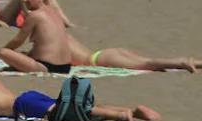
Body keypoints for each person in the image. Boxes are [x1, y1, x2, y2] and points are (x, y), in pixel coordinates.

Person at [0, 57, 160, 121]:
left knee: (66, 111)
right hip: (27, 96)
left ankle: (121, 114)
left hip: (22, 105)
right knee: (74, 107)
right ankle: (129, 110)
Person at [0, 0, 73, 74]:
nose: (24, 1)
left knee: (3, 52)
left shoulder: (34, 15)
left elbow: (18, 41)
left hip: (47, 67)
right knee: (24, 54)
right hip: (66, 67)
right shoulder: (54, 12)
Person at [66, 36, 197, 73]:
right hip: (103, 53)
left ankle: (181, 62)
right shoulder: (62, 33)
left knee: (147, 64)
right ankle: (197, 62)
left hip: (97, 60)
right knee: (147, 61)